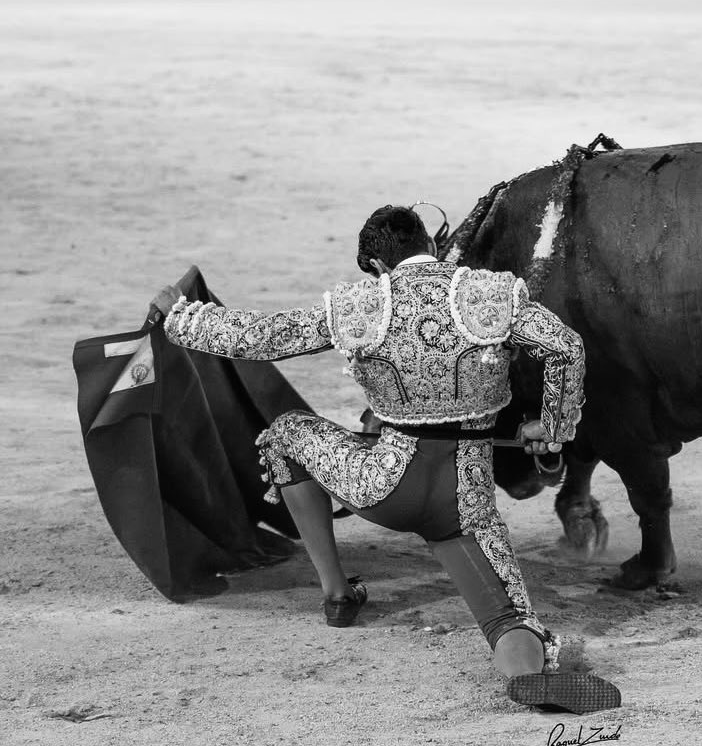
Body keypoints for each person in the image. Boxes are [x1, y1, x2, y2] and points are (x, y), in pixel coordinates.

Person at [150, 204, 620, 714]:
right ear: (432, 246)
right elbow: (566, 348)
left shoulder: (362, 305)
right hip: (462, 503)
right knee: (508, 619)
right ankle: (528, 674)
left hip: (382, 484)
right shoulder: (490, 296)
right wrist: (551, 428)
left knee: (285, 434)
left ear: (375, 265)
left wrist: (181, 315)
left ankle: (337, 594)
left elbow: (261, 338)